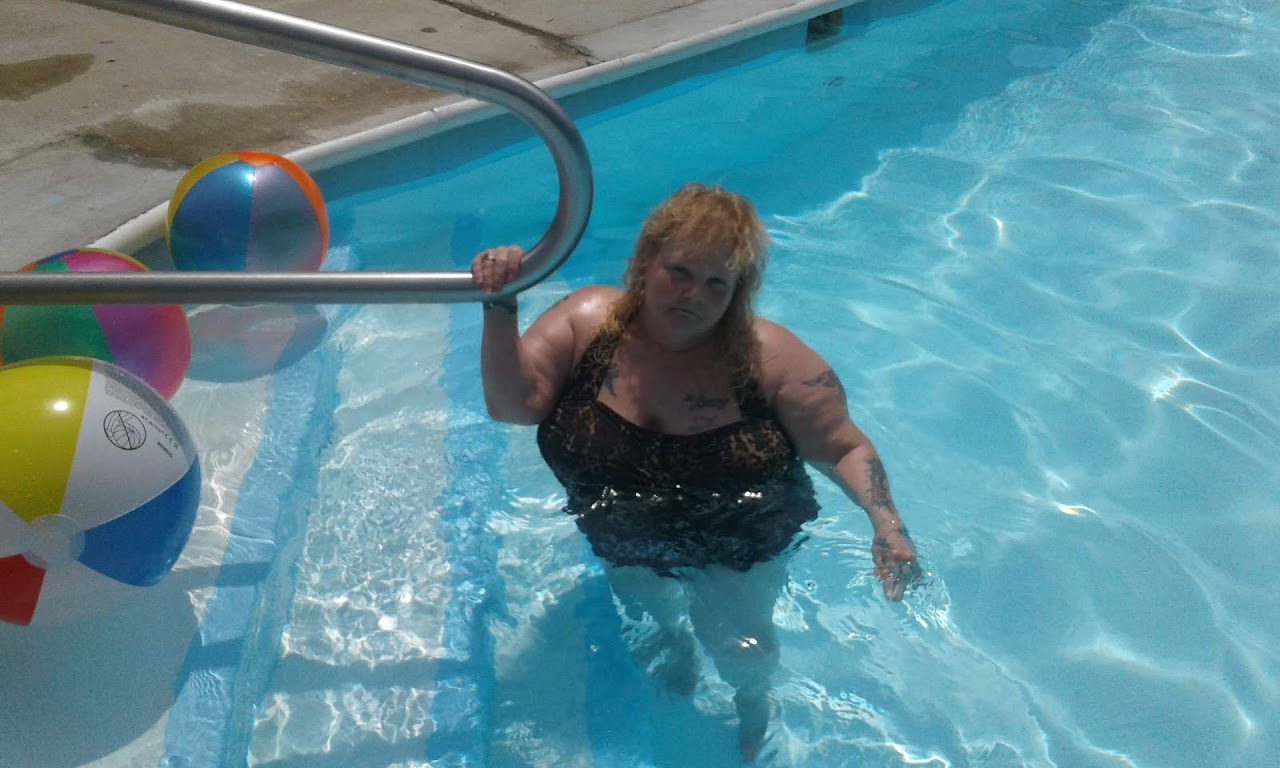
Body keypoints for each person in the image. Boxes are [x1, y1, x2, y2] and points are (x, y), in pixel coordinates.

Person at [471, 182, 919, 762]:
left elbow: (842, 446)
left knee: (743, 649)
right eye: (679, 272)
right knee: (649, 606)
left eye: (716, 284)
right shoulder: (586, 325)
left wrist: (887, 524)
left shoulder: (771, 363)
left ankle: (753, 701)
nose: (693, 296)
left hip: (737, 540)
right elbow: (514, 405)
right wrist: (499, 303)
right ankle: (673, 640)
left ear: (738, 292)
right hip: (620, 529)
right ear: (643, 263)